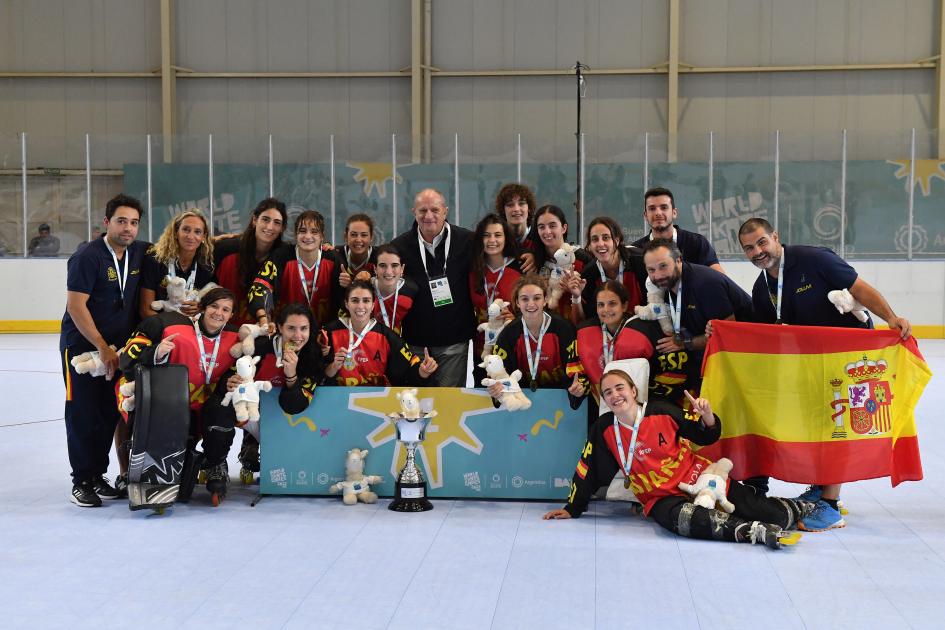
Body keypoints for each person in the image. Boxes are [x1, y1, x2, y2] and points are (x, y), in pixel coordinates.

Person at [736, 217, 912, 531]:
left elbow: (860, 288)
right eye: (749, 248)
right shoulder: (762, 289)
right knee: (819, 423)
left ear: (775, 237)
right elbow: (763, 335)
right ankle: (821, 488)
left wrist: (891, 317)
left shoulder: (814, 259)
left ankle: (830, 506)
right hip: (811, 363)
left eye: (762, 242)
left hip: (848, 358)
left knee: (836, 425)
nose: (757, 251)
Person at [543, 370, 814, 551]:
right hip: (660, 498)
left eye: (619, 388)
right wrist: (572, 508)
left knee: (771, 513)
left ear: (633, 391)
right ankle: (753, 532)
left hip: (700, 478)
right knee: (685, 522)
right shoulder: (604, 428)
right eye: (608, 392)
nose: (615, 395)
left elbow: (704, 434)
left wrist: (707, 416)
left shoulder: (662, 411)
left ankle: (802, 509)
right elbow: (587, 469)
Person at [60, 194, 148, 507]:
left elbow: (176, 242)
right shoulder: (88, 256)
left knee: (109, 413)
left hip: (119, 350)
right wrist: (101, 345)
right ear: (107, 222)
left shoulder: (139, 252)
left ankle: (97, 475)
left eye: (134, 223)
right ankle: (81, 481)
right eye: (121, 221)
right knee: (83, 413)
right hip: (84, 349)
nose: (128, 228)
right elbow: (76, 306)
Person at [119, 287, 241, 504]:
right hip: (172, 405)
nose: (218, 313)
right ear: (202, 308)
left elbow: (247, 366)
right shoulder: (166, 324)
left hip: (206, 405)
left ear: (232, 314)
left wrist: (232, 381)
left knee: (223, 409)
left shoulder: (236, 336)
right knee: (176, 470)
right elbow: (127, 359)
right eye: (214, 306)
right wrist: (155, 353)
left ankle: (216, 463)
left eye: (225, 309)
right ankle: (136, 472)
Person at [391, 188, 476, 386]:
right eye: (423, 210)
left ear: (445, 211)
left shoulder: (468, 241)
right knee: (415, 401)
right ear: (414, 212)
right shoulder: (399, 247)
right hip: (415, 343)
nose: (428, 216)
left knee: (449, 400)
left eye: (435, 210)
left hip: (454, 343)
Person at [641, 238, 752, 386]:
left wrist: (685, 343)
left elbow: (725, 335)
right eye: (651, 270)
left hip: (748, 353)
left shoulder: (705, 284)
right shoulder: (665, 284)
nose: (658, 275)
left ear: (678, 260)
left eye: (663, 266)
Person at [232, 303, 322, 484]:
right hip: (254, 413)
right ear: (280, 327)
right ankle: (219, 460)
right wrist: (232, 382)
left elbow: (295, 407)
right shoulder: (260, 347)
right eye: (291, 328)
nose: (298, 336)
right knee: (221, 407)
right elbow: (233, 380)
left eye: (304, 328)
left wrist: (291, 375)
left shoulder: (313, 354)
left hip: (288, 418)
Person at [487, 275, 587, 407]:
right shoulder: (508, 334)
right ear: (517, 302)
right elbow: (500, 376)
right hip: (523, 401)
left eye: (537, 298)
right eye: (525, 299)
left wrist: (578, 389)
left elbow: (579, 375)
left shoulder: (564, 329)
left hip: (561, 400)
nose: (531, 304)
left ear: (545, 300)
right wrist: (498, 389)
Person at [320, 280, 439, 386]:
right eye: (355, 300)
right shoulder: (328, 333)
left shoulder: (387, 336)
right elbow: (317, 376)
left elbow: (408, 371)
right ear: (346, 304)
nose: (360, 306)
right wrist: (333, 366)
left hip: (376, 398)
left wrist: (423, 371)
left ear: (373, 305)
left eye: (366, 301)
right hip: (339, 397)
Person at [253, 210, 343, 327]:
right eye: (302, 231)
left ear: (322, 236)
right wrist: (263, 318)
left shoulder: (333, 259)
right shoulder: (281, 256)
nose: (308, 236)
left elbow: (347, 298)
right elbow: (259, 288)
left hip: (324, 332)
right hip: (286, 331)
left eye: (314, 232)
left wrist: (348, 283)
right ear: (296, 235)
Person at [215, 197, 291, 328]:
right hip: (226, 329)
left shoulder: (286, 255)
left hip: (264, 329)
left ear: (282, 228)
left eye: (277, 223)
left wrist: (326, 248)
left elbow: (309, 247)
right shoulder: (225, 249)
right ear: (255, 220)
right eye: (265, 219)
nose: (270, 227)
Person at [470, 213, 522, 378]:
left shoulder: (520, 269)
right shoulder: (473, 270)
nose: (492, 240)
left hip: (510, 348)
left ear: (506, 238)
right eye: (486, 235)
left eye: (498, 235)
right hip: (481, 351)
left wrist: (515, 319)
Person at [567, 216, 647, 323]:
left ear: (616, 241)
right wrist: (576, 297)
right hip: (607, 329)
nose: (600, 244)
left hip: (641, 325)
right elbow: (582, 322)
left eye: (606, 238)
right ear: (590, 245)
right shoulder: (588, 274)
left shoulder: (640, 262)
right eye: (595, 239)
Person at [139, 210, 215, 319]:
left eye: (197, 232)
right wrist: (172, 326)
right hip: (158, 324)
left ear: (203, 237)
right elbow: (145, 310)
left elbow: (209, 307)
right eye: (186, 230)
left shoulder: (206, 267)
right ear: (176, 232)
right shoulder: (155, 260)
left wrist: (200, 307)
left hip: (190, 325)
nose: (190, 236)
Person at [632, 187, 723, 272]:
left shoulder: (697, 243)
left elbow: (721, 279)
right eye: (652, 209)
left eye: (664, 208)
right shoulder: (635, 251)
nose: (658, 213)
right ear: (645, 215)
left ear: (674, 213)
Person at [531, 204, 594, 320]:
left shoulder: (582, 259)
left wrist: (575, 292)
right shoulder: (534, 261)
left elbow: (592, 303)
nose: (547, 231)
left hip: (575, 323)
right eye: (541, 227)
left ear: (564, 228)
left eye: (552, 226)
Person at [371, 243, 417, 336]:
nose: (388, 272)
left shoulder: (412, 293)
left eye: (394, 265)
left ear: (402, 269)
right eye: (382, 265)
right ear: (375, 269)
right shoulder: (365, 290)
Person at [495, 182, 538, 272]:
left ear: (529, 208)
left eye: (521, 203)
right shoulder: (495, 239)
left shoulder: (540, 236)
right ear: (503, 210)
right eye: (510, 205)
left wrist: (538, 258)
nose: (516, 209)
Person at [336, 213, 377, 288]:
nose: (358, 240)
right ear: (345, 236)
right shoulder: (335, 254)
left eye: (364, 235)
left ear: (371, 237)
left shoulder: (380, 257)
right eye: (353, 235)